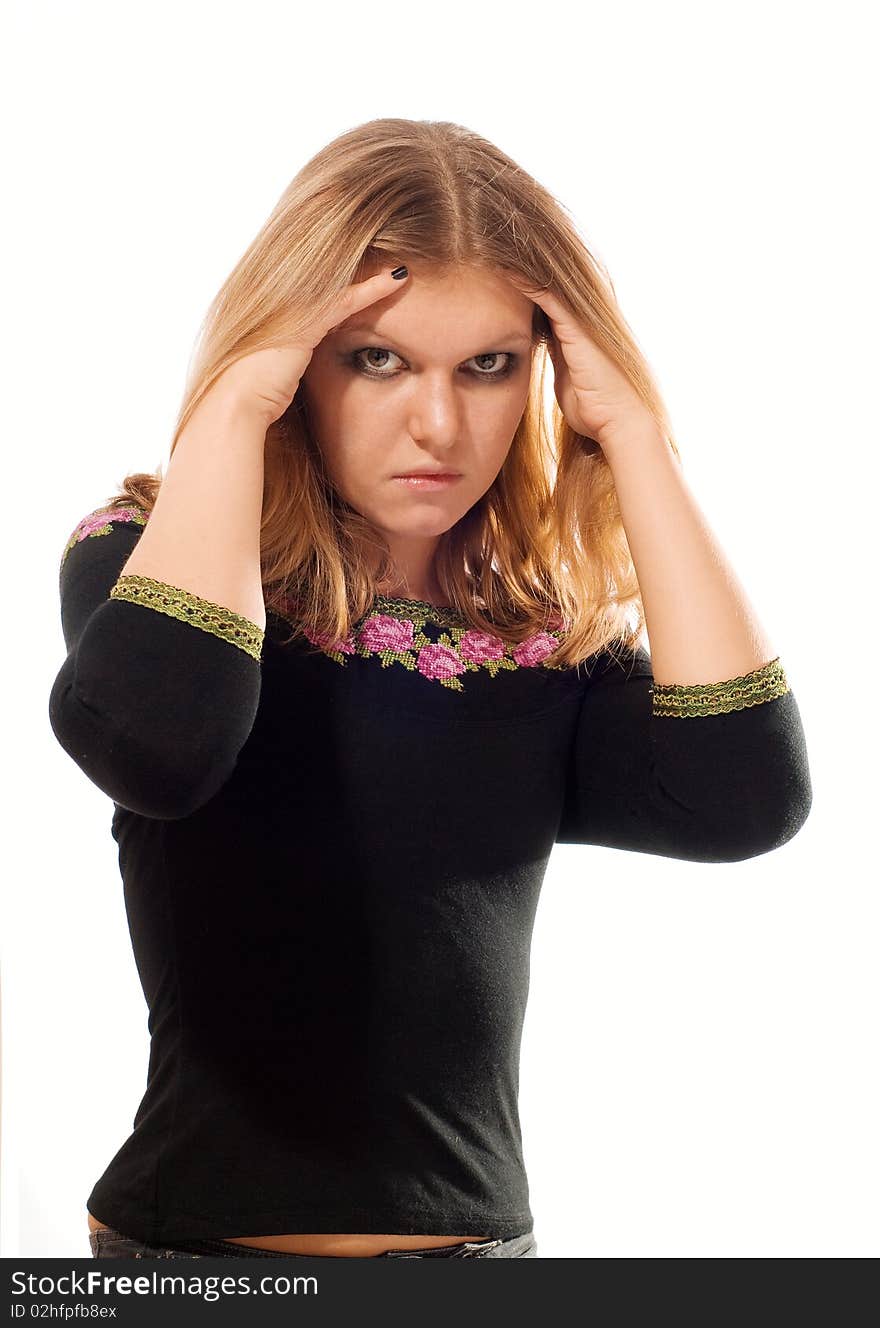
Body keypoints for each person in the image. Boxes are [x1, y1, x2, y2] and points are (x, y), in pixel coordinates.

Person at [49, 118, 812, 1261]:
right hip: (195, 1266)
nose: (441, 424)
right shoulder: (144, 556)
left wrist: (637, 438)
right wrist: (234, 405)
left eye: (488, 365)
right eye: (378, 357)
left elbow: (744, 797)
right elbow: (161, 747)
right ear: (301, 357)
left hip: (481, 1268)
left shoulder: (537, 643)